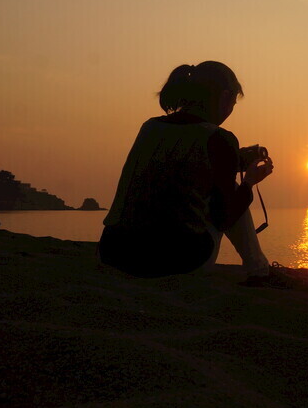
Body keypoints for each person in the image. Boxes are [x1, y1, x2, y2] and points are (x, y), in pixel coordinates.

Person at [97, 61, 287, 286]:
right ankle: (259, 271)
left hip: (115, 252)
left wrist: (233, 160)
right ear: (225, 97)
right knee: (235, 190)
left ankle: (259, 269)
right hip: (178, 260)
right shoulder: (218, 138)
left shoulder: (149, 127)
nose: (230, 111)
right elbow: (223, 217)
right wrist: (249, 182)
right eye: (233, 103)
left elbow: (172, 170)